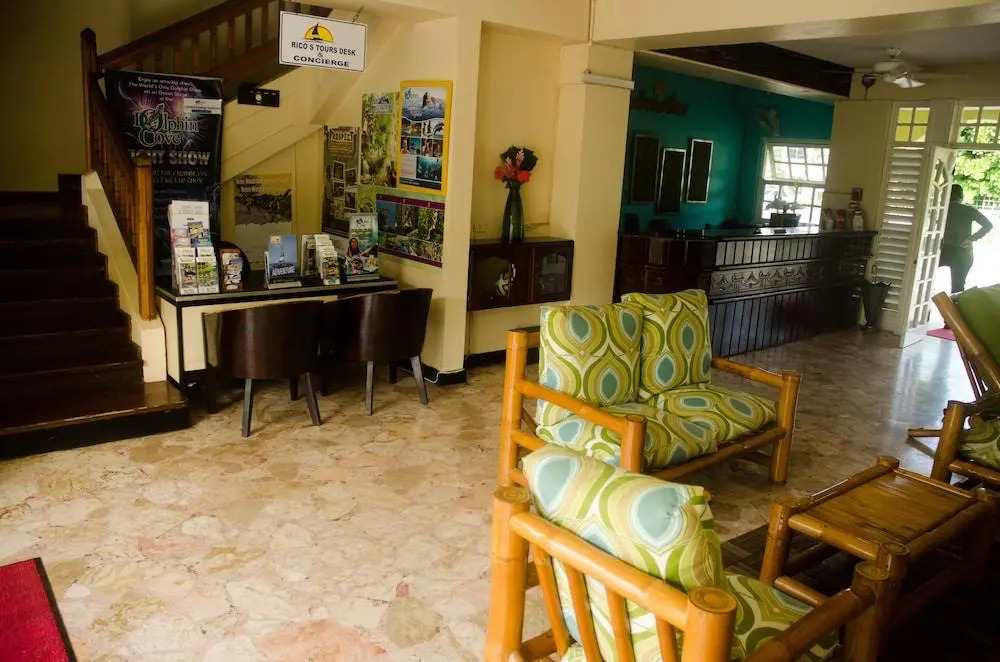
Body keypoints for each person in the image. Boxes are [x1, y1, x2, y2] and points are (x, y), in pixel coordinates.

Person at [940, 184, 993, 293]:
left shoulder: (941, 209)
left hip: (943, 250)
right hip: (963, 252)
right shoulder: (968, 210)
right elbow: (988, 225)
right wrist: (972, 238)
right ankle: (956, 303)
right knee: (958, 288)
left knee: (923, 275)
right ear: (961, 196)